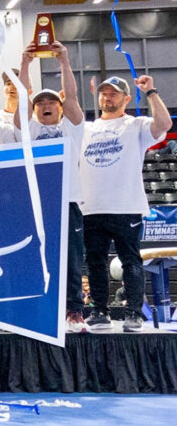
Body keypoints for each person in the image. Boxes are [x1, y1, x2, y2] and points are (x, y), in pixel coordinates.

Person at [79, 75, 169, 332]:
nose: (108, 97)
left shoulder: (137, 124)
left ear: (126, 99)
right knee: (94, 261)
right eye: (105, 93)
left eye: (114, 93)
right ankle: (99, 311)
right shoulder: (86, 128)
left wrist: (150, 91)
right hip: (91, 206)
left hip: (125, 205)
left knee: (131, 261)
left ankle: (133, 313)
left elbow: (164, 123)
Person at [15, 40, 87, 333]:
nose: (46, 107)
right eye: (40, 104)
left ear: (60, 108)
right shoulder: (28, 131)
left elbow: (71, 96)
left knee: (71, 261)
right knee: (33, 258)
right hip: (35, 203)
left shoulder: (71, 129)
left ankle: (74, 311)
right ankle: (33, 309)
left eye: (51, 103)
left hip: (66, 201)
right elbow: (21, 98)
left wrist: (64, 60)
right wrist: (24, 63)